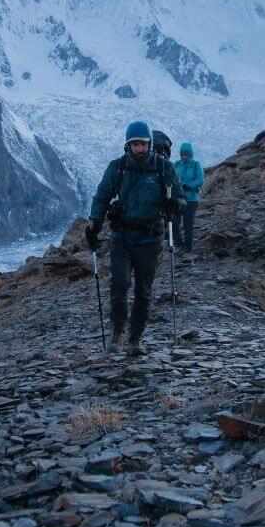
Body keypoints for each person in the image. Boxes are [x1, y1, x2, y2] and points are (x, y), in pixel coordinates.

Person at [85, 121, 184, 356]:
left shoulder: (163, 168)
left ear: (150, 143)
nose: (139, 148)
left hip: (150, 238)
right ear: (128, 145)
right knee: (120, 283)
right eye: (134, 144)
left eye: (142, 144)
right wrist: (94, 223)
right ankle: (117, 333)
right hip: (122, 236)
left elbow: (180, 199)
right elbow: (102, 196)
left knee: (143, 291)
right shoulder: (118, 168)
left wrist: (174, 204)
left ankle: (135, 340)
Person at [173, 142, 204, 253]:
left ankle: (187, 247)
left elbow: (200, 180)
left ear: (190, 154)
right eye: (182, 154)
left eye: (186, 154)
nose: (184, 156)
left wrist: (189, 185)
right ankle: (178, 243)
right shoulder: (177, 164)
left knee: (188, 222)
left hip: (191, 199)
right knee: (174, 221)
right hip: (179, 198)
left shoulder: (196, 164)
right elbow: (172, 178)